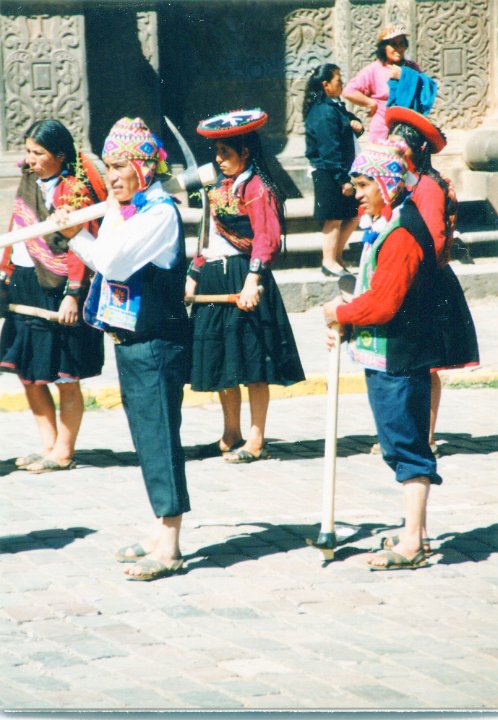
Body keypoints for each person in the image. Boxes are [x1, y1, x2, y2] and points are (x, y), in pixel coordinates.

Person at [66, 116, 191, 581]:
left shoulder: (158, 214)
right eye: (109, 167)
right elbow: (111, 243)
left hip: (157, 343)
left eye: (120, 167)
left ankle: (170, 545)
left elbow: (112, 262)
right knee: (146, 439)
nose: (112, 177)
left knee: (160, 438)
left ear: (143, 168)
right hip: (131, 340)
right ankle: (159, 530)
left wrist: (74, 236)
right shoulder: (128, 208)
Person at [323, 140, 443, 571]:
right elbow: (373, 293)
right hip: (386, 355)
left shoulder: (402, 234)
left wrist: (340, 313)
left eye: (363, 185)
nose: (355, 193)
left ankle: (412, 543)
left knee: (407, 447)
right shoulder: (385, 225)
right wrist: (348, 320)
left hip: (401, 358)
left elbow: (384, 303)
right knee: (398, 445)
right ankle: (416, 531)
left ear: (386, 184)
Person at [187, 109, 305, 463]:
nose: (219, 159)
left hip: (244, 277)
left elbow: (266, 238)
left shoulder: (258, 188)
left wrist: (253, 280)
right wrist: (194, 273)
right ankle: (230, 434)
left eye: (226, 153)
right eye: (217, 152)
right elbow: (207, 234)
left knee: (253, 362)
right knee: (222, 359)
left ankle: (256, 439)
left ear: (246, 152)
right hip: (214, 278)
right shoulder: (219, 187)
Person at [0, 119, 106, 473]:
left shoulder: (74, 190)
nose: (30, 159)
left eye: (38, 152)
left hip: (59, 286)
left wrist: (74, 293)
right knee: (28, 372)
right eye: (28, 151)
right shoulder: (29, 180)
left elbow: (80, 243)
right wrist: (5, 271)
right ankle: (47, 444)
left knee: (64, 375)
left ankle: (64, 450)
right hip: (25, 281)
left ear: (60, 155)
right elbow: (17, 227)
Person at [386, 106, 479, 455]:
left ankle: (423, 436)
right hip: (403, 279)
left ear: (418, 150)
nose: (394, 153)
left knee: (423, 365)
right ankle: (406, 433)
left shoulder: (427, 187)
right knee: (406, 362)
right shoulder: (399, 186)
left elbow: (433, 242)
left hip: (423, 282)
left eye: (400, 148)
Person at [303, 63, 364, 277]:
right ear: (326, 85)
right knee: (334, 218)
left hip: (340, 170)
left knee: (353, 214)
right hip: (329, 172)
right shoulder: (323, 111)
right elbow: (329, 148)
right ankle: (328, 261)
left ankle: (337, 257)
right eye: (338, 80)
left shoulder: (334, 107)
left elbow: (347, 126)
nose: (342, 83)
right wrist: (342, 179)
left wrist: (356, 123)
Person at [343, 24, 436, 142]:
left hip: (408, 127)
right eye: (393, 44)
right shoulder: (374, 69)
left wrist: (403, 76)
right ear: (384, 47)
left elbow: (426, 88)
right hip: (383, 128)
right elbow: (349, 91)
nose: (398, 48)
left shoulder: (411, 68)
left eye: (401, 43)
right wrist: (371, 103)